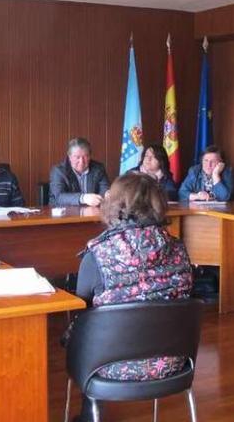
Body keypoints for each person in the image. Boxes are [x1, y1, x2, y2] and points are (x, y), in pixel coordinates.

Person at [72, 172, 192, 421]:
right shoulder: (179, 249)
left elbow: (80, 312)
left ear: (114, 204)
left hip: (106, 365)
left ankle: (89, 415)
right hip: (172, 362)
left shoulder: (98, 253)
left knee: (82, 331)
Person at [49, 137, 110, 207]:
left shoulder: (98, 168)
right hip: (64, 213)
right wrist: (83, 198)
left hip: (92, 213)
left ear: (90, 156)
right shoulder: (58, 171)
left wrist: (107, 194)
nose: (81, 161)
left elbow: (104, 189)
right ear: (69, 157)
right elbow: (59, 197)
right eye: (77, 157)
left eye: (85, 157)